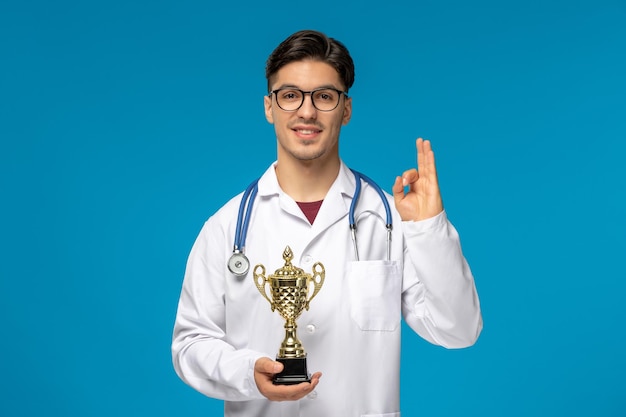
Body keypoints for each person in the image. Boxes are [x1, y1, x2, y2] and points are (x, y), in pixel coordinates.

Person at [172, 29, 482, 417]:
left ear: (346, 110)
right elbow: (190, 345)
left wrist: (430, 228)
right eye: (290, 96)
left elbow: (459, 330)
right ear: (269, 108)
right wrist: (247, 372)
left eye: (324, 96)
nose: (306, 112)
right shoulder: (226, 226)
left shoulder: (389, 220)